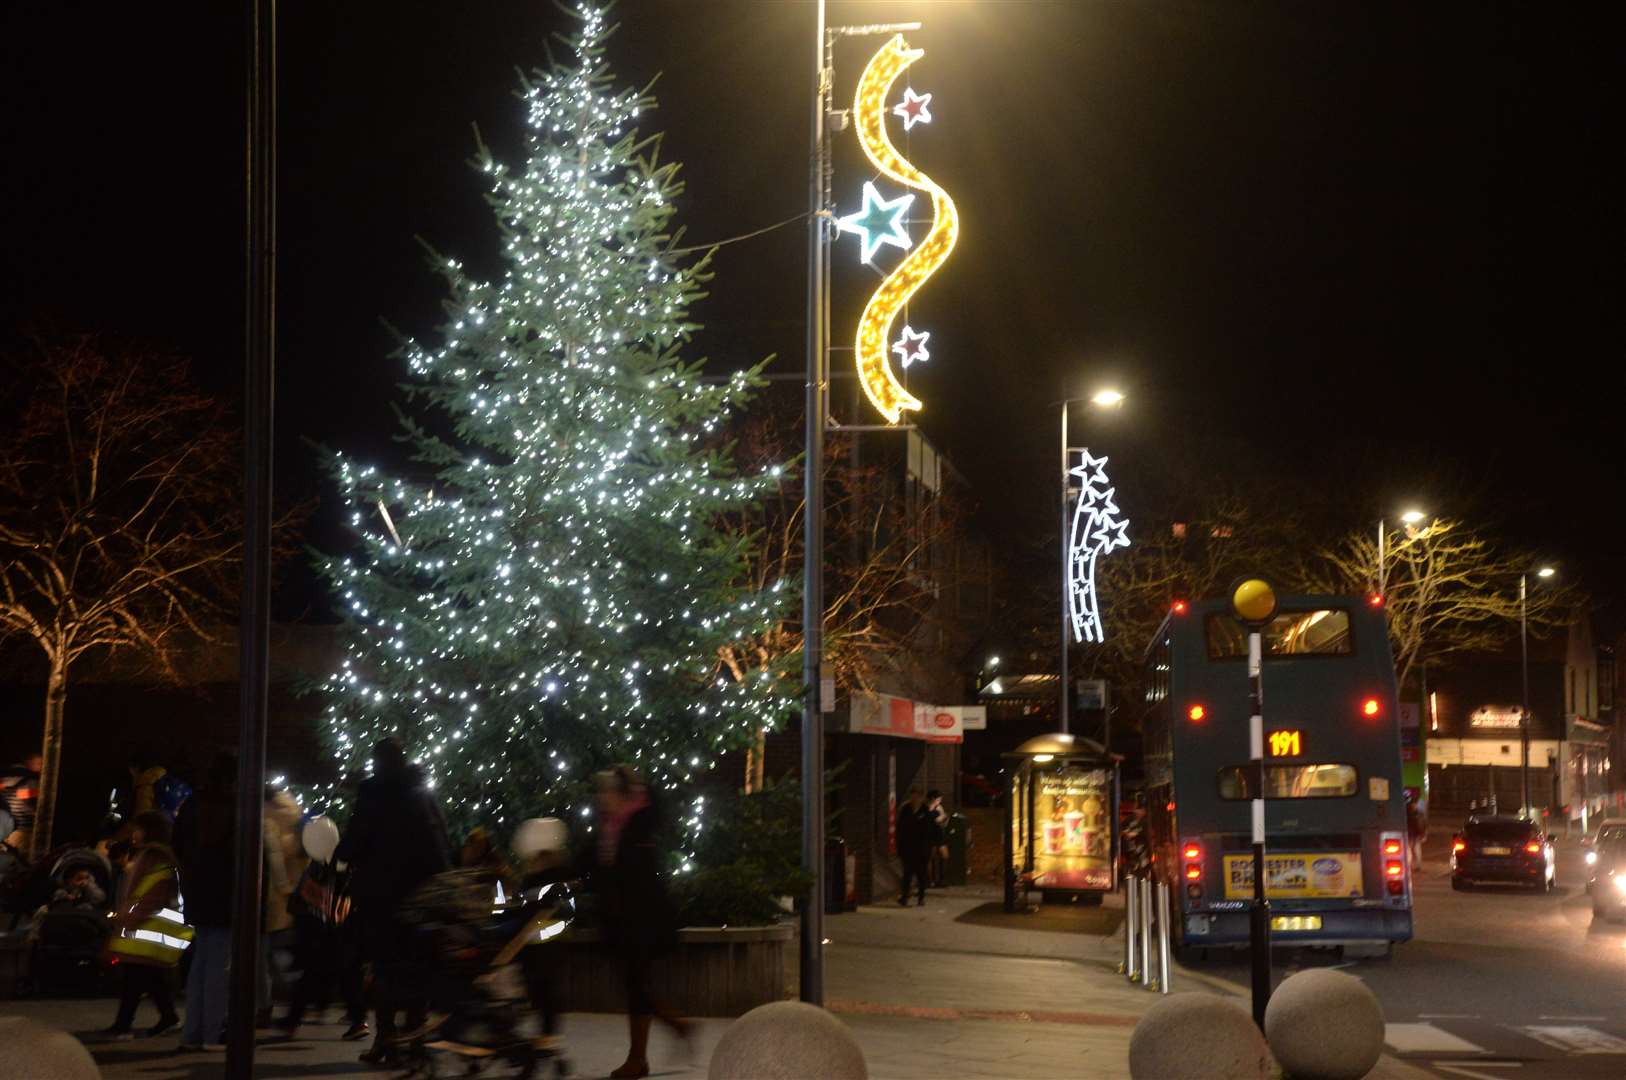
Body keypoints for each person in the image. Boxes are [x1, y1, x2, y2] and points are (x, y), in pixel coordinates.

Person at [334, 737, 452, 1068]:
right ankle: (415, 1038)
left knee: (385, 970)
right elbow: (439, 836)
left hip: (381, 898)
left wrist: (341, 854)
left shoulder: (373, 791)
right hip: (421, 895)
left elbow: (357, 837)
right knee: (417, 967)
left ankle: (386, 1041)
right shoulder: (421, 790)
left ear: (378, 762)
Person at [593, 765, 689, 1080]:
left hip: (643, 920)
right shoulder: (612, 825)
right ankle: (674, 1026)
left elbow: (635, 877)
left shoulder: (638, 825)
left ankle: (639, 1059)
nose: (601, 797)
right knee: (636, 985)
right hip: (623, 921)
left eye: (607, 791)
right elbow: (595, 863)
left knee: (636, 986)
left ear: (623, 795)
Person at [173, 752, 238, 1051]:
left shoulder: (192, 806)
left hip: (197, 889)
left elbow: (178, 846)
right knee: (218, 965)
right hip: (225, 892)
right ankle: (213, 1032)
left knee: (201, 962)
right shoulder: (235, 807)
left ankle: (193, 1032)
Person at [103, 810, 184, 1039]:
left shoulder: (154, 857)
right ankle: (166, 1017)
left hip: (146, 927)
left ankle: (124, 1025)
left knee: (135, 977)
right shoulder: (155, 855)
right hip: (146, 926)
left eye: (137, 829)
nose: (133, 834)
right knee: (147, 976)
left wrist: (127, 917)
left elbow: (149, 894)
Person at [0, 752, 42, 854]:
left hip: (7, 831)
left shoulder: (4, 776)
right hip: (24, 830)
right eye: (39, 763)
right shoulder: (32, 781)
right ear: (30, 762)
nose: (42, 767)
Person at [896, 785, 930, 906]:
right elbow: (900, 828)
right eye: (913, 795)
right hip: (908, 848)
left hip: (921, 848)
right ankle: (904, 897)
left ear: (921, 797)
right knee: (907, 874)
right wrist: (899, 846)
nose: (915, 798)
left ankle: (921, 897)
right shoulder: (905, 809)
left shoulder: (925, 810)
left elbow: (928, 830)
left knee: (921, 874)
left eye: (917, 796)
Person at [925, 790, 949, 888]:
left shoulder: (939, 807)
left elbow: (944, 821)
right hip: (931, 835)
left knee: (944, 856)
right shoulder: (926, 808)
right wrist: (937, 819)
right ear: (933, 799)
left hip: (939, 834)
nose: (940, 801)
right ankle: (931, 880)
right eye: (938, 799)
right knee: (932, 857)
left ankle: (941, 879)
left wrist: (943, 818)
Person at [1405, 791, 1427, 874]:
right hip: (1414, 834)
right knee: (1414, 849)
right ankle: (1415, 865)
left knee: (1411, 849)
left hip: (1412, 834)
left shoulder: (1408, 813)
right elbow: (1423, 824)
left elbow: (1423, 824)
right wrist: (1423, 833)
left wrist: (1423, 833)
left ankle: (1412, 865)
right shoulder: (1418, 813)